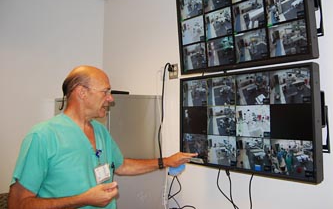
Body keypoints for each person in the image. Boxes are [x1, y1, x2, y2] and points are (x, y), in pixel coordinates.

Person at [8, 65, 197, 209]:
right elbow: (17, 204)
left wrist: (167, 161)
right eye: (105, 91)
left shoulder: (100, 131)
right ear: (81, 92)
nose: (111, 98)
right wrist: (83, 199)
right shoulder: (42, 137)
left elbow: (121, 165)